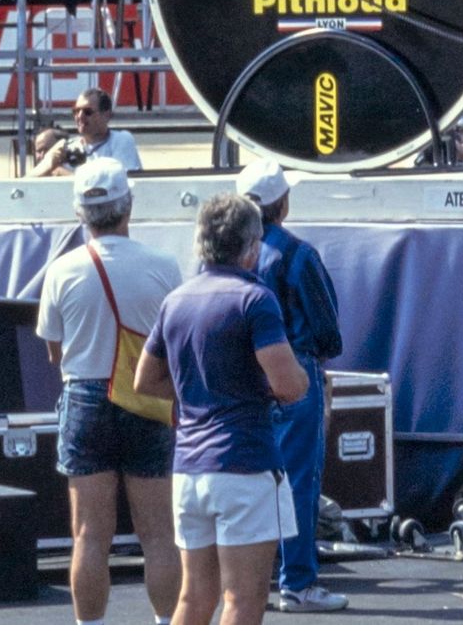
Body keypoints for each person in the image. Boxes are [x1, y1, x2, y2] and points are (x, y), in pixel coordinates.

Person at [136, 193, 312, 625]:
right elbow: (289, 386)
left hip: (190, 468)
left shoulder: (176, 300)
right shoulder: (255, 299)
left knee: (194, 598)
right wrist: (301, 381)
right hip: (244, 465)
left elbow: (144, 381)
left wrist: (200, 392)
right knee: (243, 601)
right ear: (251, 247)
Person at [36, 159, 185, 625]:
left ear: (80, 213)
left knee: (89, 534)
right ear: (128, 208)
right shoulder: (164, 267)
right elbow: (176, 344)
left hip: (85, 395)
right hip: (146, 394)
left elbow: (54, 354)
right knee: (158, 533)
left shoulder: (61, 271)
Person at [236, 163, 347, 613]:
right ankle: (297, 582)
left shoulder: (232, 255)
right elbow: (328, 330)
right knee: (299, 480)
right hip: (295, 369)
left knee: (249, 480)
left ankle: (252, 579)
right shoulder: (297, 255)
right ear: (282, 204)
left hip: (242, 373)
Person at [43, 88, 145, 176]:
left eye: (87, 112)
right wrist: (49, 165)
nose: (80, 116)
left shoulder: (121, 140)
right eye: (76, 111)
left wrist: (66, 174)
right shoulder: (67, 146)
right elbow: (29, 181)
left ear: (106, 115)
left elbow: (120, 184)